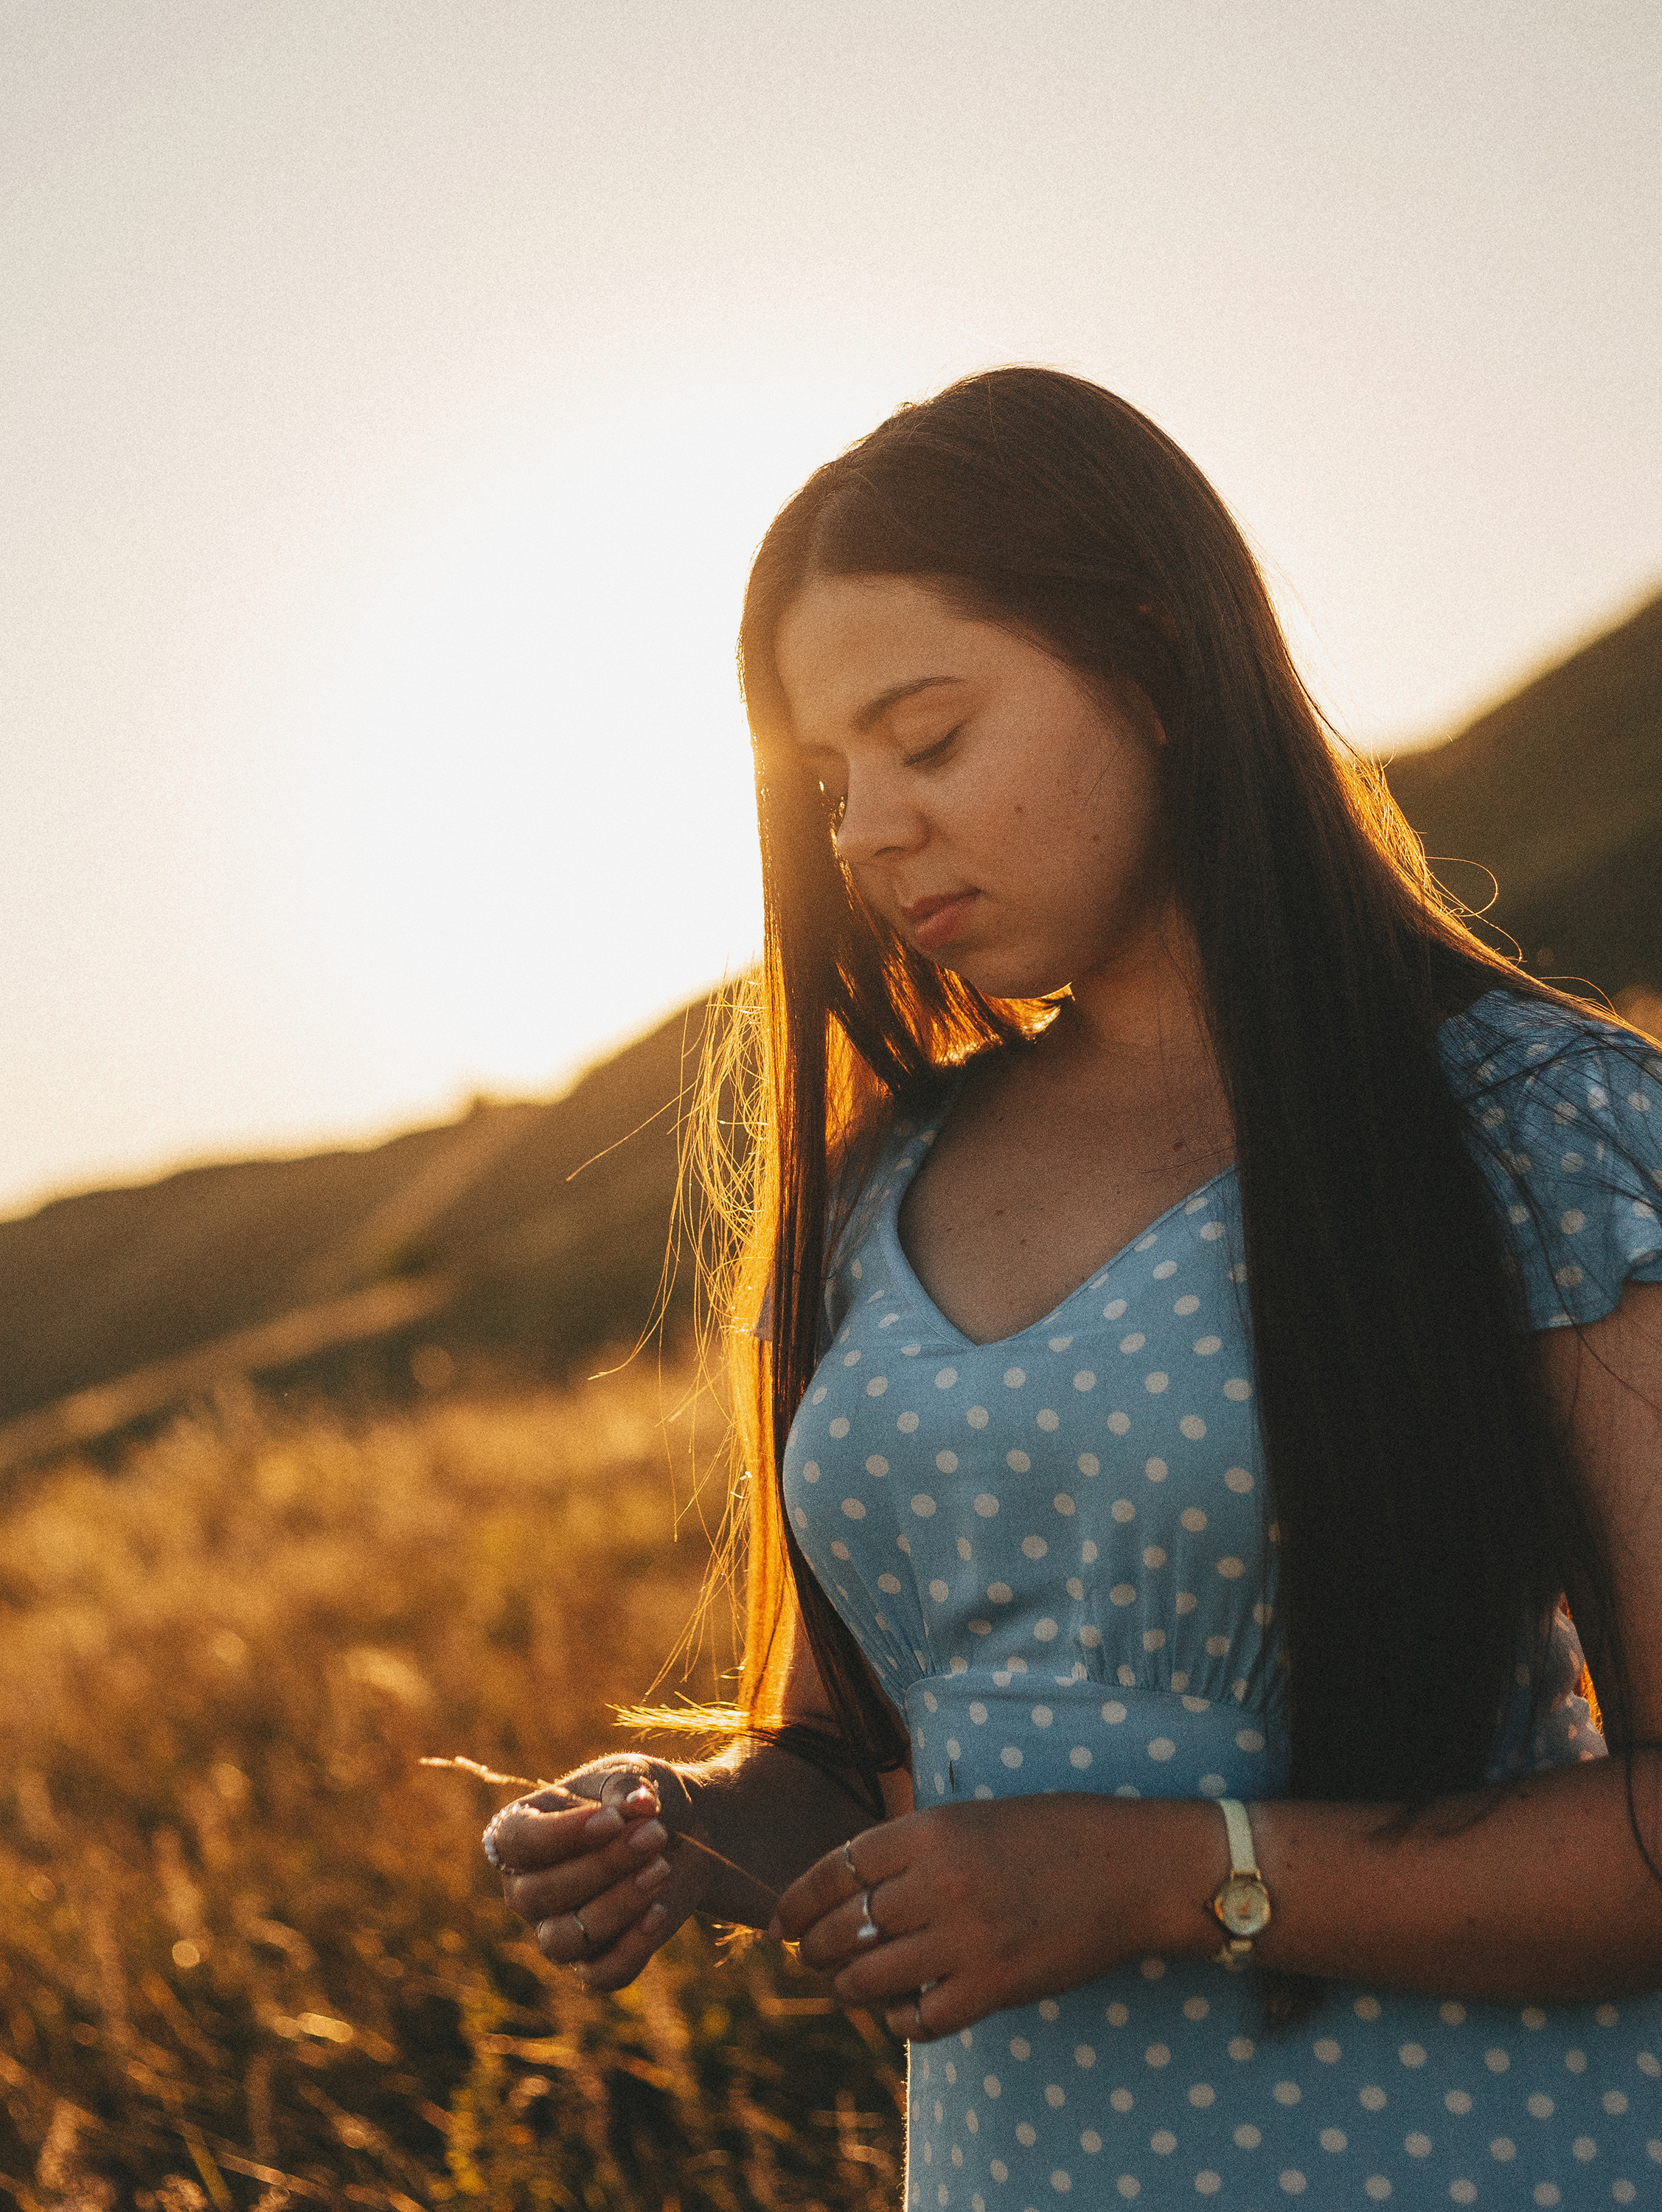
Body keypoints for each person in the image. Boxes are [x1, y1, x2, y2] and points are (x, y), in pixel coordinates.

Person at [482, 369, 1662, 2206]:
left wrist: (1160, 1877)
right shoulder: (879, 1182)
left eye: (927, 738)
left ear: (1157, 661)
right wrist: (688, 1824)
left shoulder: (1529, 1122)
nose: (863, 831)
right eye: (826, 781)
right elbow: (857, 1758)